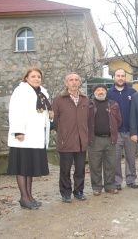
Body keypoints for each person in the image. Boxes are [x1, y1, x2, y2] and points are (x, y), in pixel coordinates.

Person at [7, 67, 53, 210]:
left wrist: (50, 117)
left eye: (39, 76)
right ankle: (24, 197)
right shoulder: (20, 91)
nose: (36, 79)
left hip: (36, 136)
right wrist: (18, 131)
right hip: (23, 136)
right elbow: (15, 111)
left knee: (29, 168)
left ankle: (29, 196)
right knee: (22, 168)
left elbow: (41, 113)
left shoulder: (42, 92)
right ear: (26, 78)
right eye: (33, 76)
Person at [52, 73, 89, 203]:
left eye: (76, 80)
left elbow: (88, 120)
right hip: (66, 140)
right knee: (65, 169)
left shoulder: (85, 99)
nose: (74, 82)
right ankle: (66, 193)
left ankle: (79, 191)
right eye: (71, 80)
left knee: (80, 169)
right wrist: (64, 132)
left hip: (81, 140)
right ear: (66, 83)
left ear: (79, 82)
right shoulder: (58, 100)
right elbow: (55, 121)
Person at [107, 68, 138, 190]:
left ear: (126, 77)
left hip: (131, 132)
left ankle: (131, 180)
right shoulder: (109, 93)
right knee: (115, 158)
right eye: (118, 75)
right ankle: (117, 181)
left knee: (131, 157)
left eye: (123, 76)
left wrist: (135, 130)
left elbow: (136, 111)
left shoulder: (132, 92)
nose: (120, 78)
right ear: (114, 77)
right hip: (115, 132)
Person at [88, 84, 122, 195]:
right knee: (95, 164)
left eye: (103, 90)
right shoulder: (89, 104)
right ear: (94, 92)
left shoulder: (113, 104)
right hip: (95, 139)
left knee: (110, 164)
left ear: (106, 92)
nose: (101, 92)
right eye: (98, 90)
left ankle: (110, 186)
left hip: (110, 139)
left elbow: (118, 120)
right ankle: (97, 187)